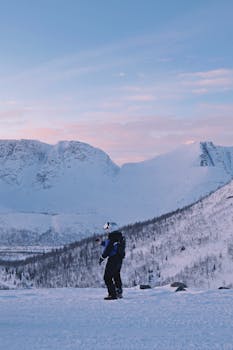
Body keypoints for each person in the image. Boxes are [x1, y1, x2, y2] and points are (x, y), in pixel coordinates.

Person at [98, 222, 125, 300]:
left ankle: (112, 294)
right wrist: (101, 243)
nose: (106, 231)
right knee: (116, 275)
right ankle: (119, 292)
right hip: (119, 259)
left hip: (113, 259)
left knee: (107, 277)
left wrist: (102, 257)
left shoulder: (112, 237)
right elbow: (111, 245)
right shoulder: (119, 237)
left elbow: (108, 249)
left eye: (107, 229)